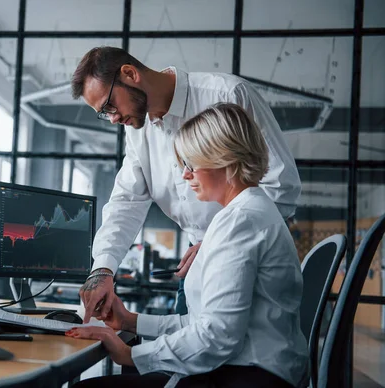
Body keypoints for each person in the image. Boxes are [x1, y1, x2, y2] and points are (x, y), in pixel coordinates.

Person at [66, 103, 309, 388]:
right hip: (242, 368)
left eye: (191, 164)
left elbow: (217, 336)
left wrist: (131, 354)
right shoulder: (245, 213)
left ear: (224, 159)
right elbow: (202, 323)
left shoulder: (240, 221)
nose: (185, 175)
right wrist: (131, 321)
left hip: (246, 376)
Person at [72, 46, 301, 322]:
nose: (113, 118)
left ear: (130, 74)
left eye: (109, 106)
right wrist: (103, 269)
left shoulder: (228, 95)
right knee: (186, 344)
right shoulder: (138, 131)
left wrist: (222, 239)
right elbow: (126, 202)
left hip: (248, 261)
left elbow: (282, 185)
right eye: (103, 113)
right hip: (195, 266)